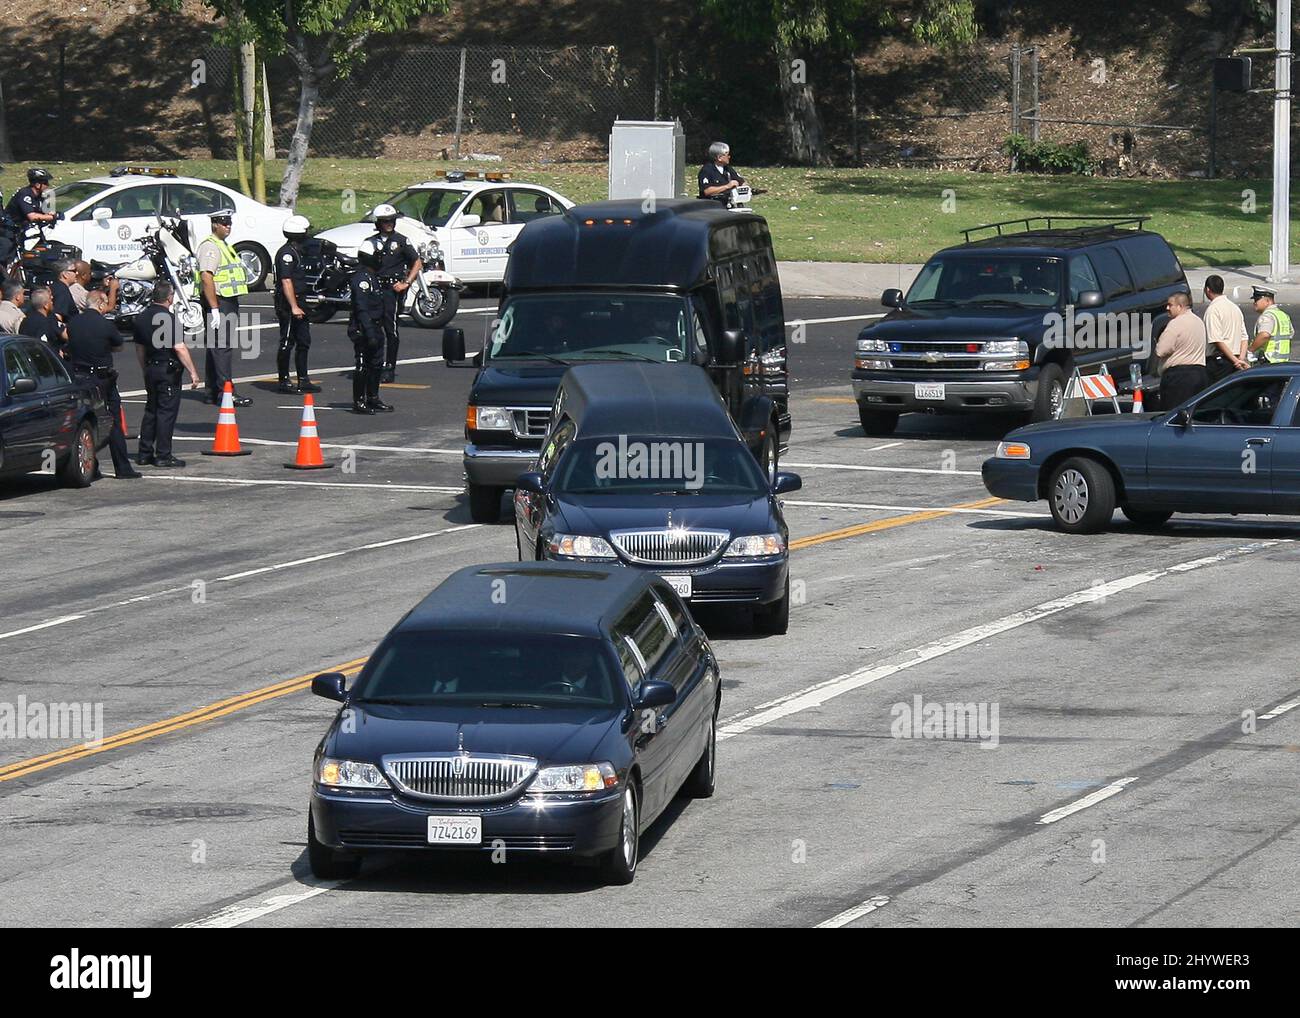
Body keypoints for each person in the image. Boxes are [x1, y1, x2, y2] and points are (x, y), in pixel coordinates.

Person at [64, 290, 140, 480]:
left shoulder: (73, 323)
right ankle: (122, 467)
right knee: (113, 421)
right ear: (100, 303)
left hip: (80, 376)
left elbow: (68, 341)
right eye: (105, 303)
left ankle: (91, 465)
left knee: (85, 422)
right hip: (102, 377)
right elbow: (119, 345)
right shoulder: (105, 324)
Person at [132, 281, 201, 468]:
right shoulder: (169, 319)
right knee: (166, 413)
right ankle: (163, 454)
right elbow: (179, 347)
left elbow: (139, 349)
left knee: (151, 411)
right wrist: (193, 372)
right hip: (167, 370)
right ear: (169, 298)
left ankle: (144, 453)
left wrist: (144, 369)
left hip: (151, 368)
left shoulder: (142, 317)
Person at [195, 208, 252, 406]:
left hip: (226, 300)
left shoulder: (222, 245)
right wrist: (214, 308)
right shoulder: (211, 247)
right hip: (219, 302)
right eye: (224, 223)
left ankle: (212, 391)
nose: (228, 226)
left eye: (230, 223)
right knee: (222, 347)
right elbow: (206, 277)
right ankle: (226, 392)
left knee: (216, 346)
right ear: (215, 225)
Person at [363, 203, 421, 383]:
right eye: (385, 221)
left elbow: (417, 262)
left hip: (391, 289)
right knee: (371, 326)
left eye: (391, 220)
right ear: (378, 222)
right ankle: (373, 363)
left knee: (391, 328)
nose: (389, 224)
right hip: (375, 288)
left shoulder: (401, 240)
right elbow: (364, 264)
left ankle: (390, 367)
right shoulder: (370, 242)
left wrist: (406, 283)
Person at [272, 215, 320, 395]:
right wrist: (293, 306)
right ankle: (284, 380)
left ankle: (303, 378)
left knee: (303, 340)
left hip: (300, 299)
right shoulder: (287, 254)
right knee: (287, 340)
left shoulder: (297, 251)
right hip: (289, 302)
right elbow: (286, 281)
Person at [348, 243, 392, 415]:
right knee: (363, 364)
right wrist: (369, 331)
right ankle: (359, 401)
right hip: (363, 327)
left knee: (377, 363)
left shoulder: (373, 277)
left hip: (376, 325)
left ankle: (373, 397)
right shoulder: (362, 279)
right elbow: (361, 308)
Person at [1156, 292, 1209, 410]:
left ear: (1180, 306)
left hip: (1178, 378)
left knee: (1173, 415)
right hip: (1200, 374)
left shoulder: (1175, 324)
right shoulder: (1198, 322)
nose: (1167, 308)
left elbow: (1161, 350)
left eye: (1170, 305)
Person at [1202, 274, 1250, 382]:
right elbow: (1244, 337)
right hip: (1236, 359)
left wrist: (1235, 361)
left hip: (1220, 362)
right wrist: (1241, 359)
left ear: (1207, 290)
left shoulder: (1213, 310)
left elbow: (1217, 340)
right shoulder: (1235, 308)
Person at [1247, 285, 1294, 364]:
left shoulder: (1267, 316)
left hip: (1268, 361)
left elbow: (1264, 335)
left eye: (1257, 299)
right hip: (1283, 362)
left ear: (1267, 301)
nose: (1254, 303)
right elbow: (1290, 334)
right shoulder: (1283, 315)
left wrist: (1251, 350)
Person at [5, 167, 57, 236]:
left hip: (23, 229)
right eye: (45, 183)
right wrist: (51, 217)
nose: (48, 185)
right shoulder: (25, 194)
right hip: (9, 230)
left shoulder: (39, 196)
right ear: (37, 185)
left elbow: (46, 211)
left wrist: (53, 213)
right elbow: (32, 217)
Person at [19, 287, 64, 351]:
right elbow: (44, 347)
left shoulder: (25, 320)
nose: (52, 301)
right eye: (50, 300)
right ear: (46, 305)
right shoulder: (44, 323)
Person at [51, 260, 80, 324]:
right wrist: (61, 329)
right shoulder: (62, 290)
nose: (77, 273)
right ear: (64, 274)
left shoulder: (56, 286)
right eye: (74, 271)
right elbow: (57, 315)